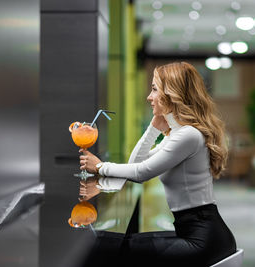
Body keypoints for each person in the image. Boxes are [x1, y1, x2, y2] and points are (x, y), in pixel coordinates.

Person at [79, 62, 237, 266]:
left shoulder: (188, 135)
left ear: (172, 94)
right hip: (192, 234)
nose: (149, 97)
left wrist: (100, 166)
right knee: (107, 243)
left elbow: (141, 173)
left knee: (107, 248)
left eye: (154, 89)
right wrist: (153, 128)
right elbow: (135, 163)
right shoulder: (178, 135)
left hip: (203, 241)